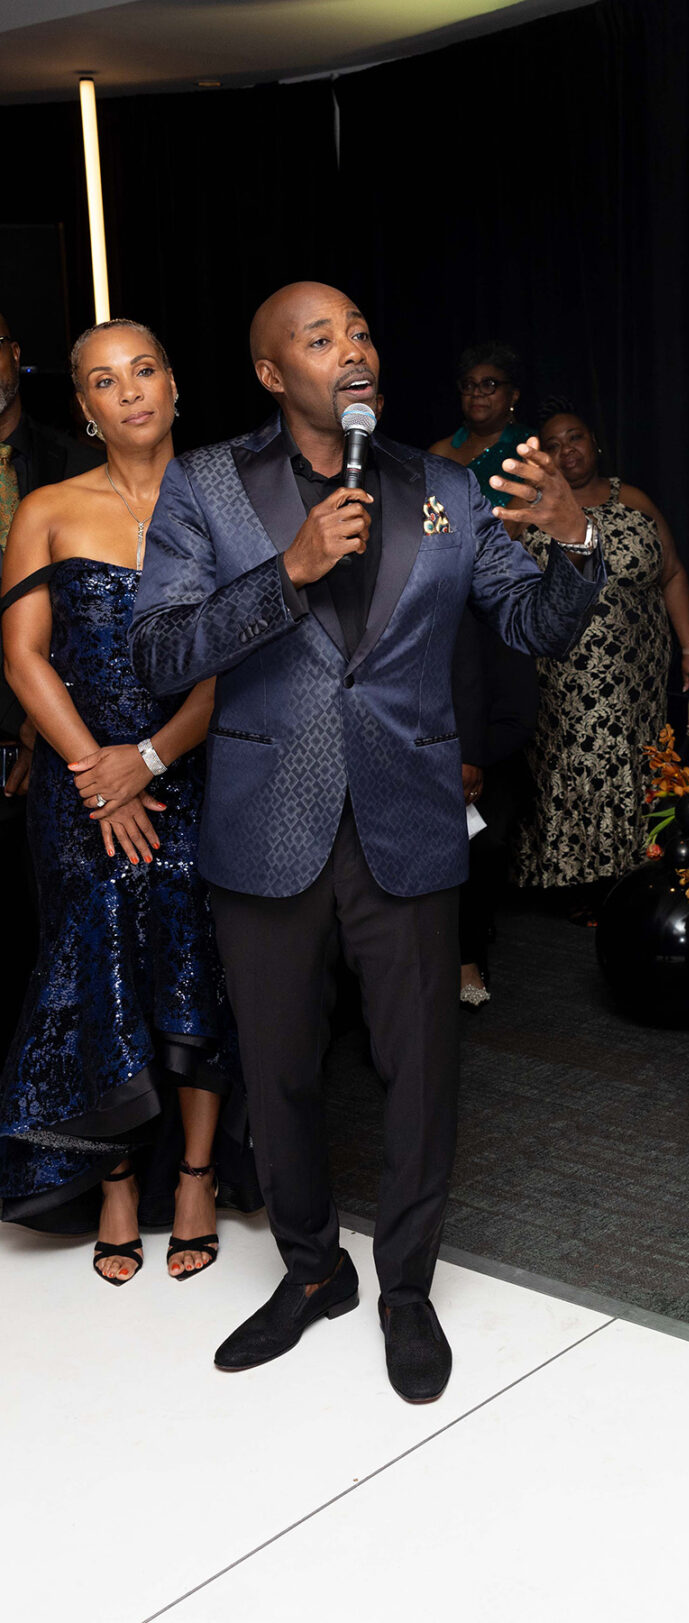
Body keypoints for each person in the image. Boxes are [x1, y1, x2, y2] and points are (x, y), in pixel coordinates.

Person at [130, 283, 604, 1402]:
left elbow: (531, 623)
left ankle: (403, 1288)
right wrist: (284, 574)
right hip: (266, 824)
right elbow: (158, 653)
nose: (353, 350)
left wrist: (579, 543)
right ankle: (309, 1274)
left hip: (406, 820)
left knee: (420, 1073)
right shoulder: (205, 485)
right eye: (320, 337)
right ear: (268, 369)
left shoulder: (441, 486)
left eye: (362, 332)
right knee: (282, 1071)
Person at [0, 319, 257, 1281]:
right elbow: (23, 652)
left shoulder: (228, 509)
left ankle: (194, 1175)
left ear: (175, 384)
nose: (132, 390)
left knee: (199, 956)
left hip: (197, 769)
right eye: (106, 380)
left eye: (146, 368)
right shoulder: (51, 507)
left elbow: (238, 653)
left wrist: (145, 762)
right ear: (85, 406)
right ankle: (114, 1178)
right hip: (79, 787)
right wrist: (97, 774)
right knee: (98, 958)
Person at [512, 406, 689, 909]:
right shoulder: (526, 506)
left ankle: (632, 874)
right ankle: (574, 882)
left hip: (636, 672)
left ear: (595, 442)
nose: (566, 451)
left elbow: (672, 573)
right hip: (560, 675)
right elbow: (498, 584)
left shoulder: (634, 499)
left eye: (574, 438)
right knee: (576, 763)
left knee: (634, 762)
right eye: (552, 444)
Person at [1, 304, 104, 1048]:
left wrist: (42, 725)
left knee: (46, 923)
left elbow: (86, 619)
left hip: (55, 723)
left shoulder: (68, 462)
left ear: (15, 357)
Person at [452, 606, 537, 1005]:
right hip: (415, 754)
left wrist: (470, 759)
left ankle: (467, 957)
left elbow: (517, 717)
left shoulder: (494, 612)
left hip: (488, 757)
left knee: (480, 842)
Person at [427, 340, 530, 507]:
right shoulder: (440, 452)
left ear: (514, 395)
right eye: (469, 385)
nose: (476, 392)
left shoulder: (530, 447)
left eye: (489, 384)